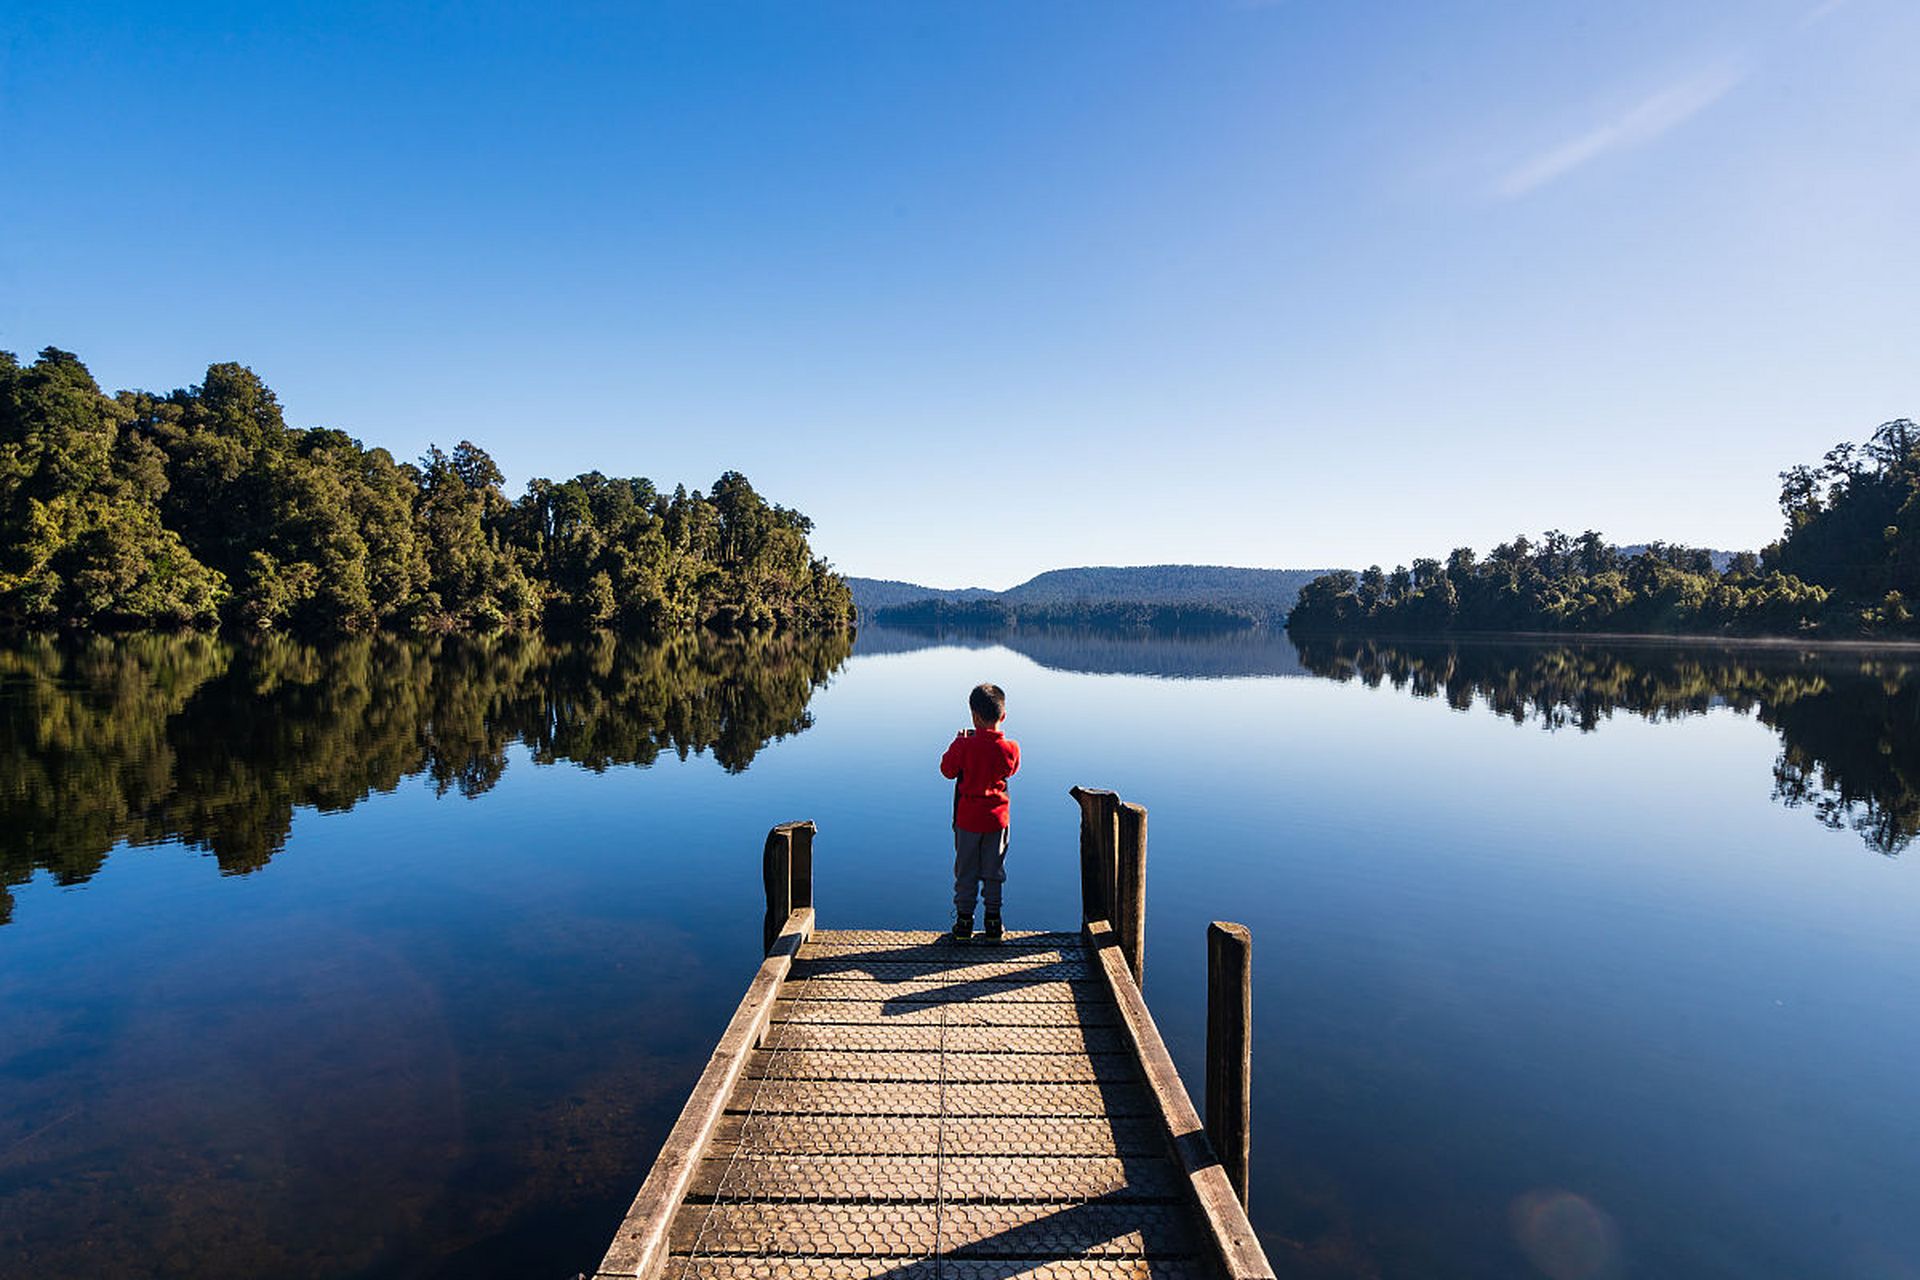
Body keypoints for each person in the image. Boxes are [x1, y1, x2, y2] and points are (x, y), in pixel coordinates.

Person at [939, 682, 1021, 943]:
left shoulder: (965, 746)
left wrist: (959, 741)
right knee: (994, 870)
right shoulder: (1011, 749)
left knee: (966, 871)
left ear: (974, 716)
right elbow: (1011, 770)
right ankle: (993, 922)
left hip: (967, 821)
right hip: (997, 821)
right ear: (1003, 716)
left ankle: (964, 923)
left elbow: (947, 770)